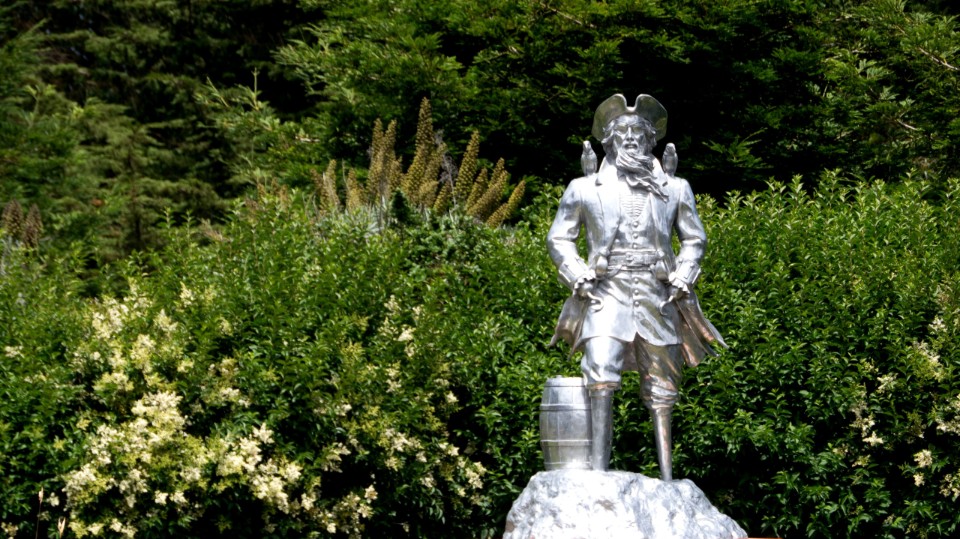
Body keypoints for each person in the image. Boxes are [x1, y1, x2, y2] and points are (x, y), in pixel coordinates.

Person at [547, 94, 726, 480]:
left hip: (657, 296)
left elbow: (695, 239)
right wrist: (577, 274)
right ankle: (598, 476)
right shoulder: (583, 188)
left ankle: (667, 478)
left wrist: (684, 275)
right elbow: (559, 238)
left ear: (650, 141)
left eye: (638, 132)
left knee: (663, 386)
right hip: (606, 293)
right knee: (600, 372)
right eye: (622, 132)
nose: (630, 138)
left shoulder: (675, 188)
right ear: (609, 141)